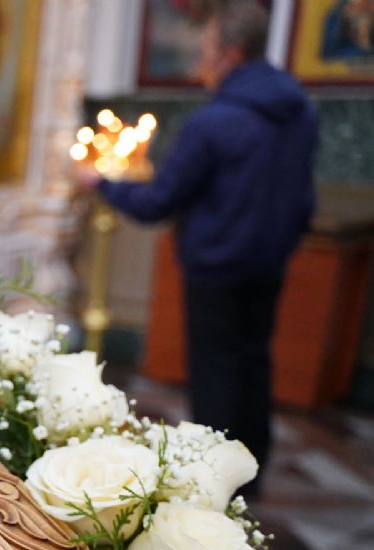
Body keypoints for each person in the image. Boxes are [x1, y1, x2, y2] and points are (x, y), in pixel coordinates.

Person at [79, 1, 316, 492]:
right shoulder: (300, 111)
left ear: (231, 53)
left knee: (216, 375)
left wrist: (101, 183)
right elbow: (301, 196)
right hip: (269, 262)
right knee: (253, 363)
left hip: (216, 267)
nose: (198, 63)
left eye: (205, 51)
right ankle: (251, 474)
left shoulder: (213, 123)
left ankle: (214, 483)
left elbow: (158, 202)